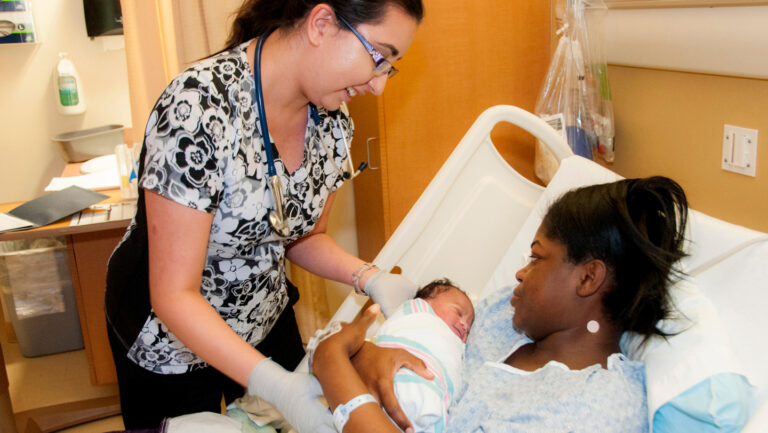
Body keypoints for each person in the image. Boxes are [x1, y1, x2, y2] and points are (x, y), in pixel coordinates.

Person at [103, 1, 426, 432]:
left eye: (391, 66)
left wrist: (369, 276)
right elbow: (174, 295)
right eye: (377, 57)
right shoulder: (199, 108)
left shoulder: (332, 120)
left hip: (261, 310)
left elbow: (304, 236)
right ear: (322, 24)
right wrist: (275, 385)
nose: (379, 85)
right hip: (170, 336)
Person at [312, 176, 689, 433]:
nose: (521, 274)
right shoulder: (502, 317)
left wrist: (333, 361)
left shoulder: (594, 409)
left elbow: (338, 362)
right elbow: (417, 346)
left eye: (537, 258)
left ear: (588, 278)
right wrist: (369, 356)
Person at [370, 279, 474, 433]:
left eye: (469, 328)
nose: (464, 325)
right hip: (401, 381)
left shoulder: (455, 345)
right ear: (426, 302)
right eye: (458, 312)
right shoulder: (417, 316)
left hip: (435, 396)